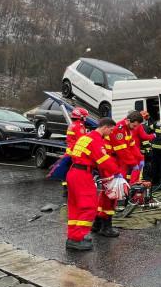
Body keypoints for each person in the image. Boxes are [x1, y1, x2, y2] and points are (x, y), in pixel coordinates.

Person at [65, 118, 120, 250]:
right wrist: (117, 172)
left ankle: (73, 236)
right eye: (111, 130)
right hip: (82, 175)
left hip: (73, 172)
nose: (111, 133)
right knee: (88, 206)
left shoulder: (85, 137)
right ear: (105, 127)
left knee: (75, 207)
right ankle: (78, 238)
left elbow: (74, 154)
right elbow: (104, 161)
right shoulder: (96, 140)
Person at [100, 110, 144, 237]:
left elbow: (132, 146)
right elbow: (122, 150)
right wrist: (133, 163)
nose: (135, 128)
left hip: (115, 161)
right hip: (111, 161)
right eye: (134, 125)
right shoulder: (119, 129)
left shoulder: (127, 129)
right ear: (128, 120)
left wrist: (140, 158)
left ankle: (99, 223)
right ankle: (105, 226)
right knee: (111, 193)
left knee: (108, 193)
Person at [61, 107, 89, 197]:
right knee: (76, 171)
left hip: (70, 151)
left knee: (68, 171)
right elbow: (82, 140)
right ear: (80, 117)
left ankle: (66, 189)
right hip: (75, 152)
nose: (85, 118)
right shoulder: (79, 126)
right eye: (84, 116)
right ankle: (71, 190)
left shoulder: (72, 125)